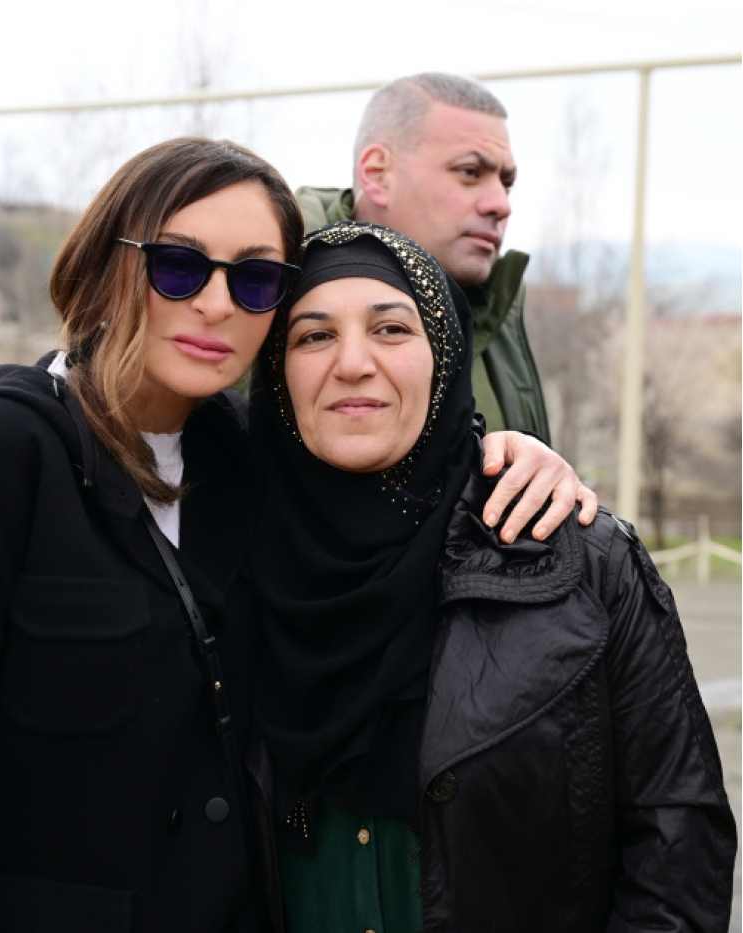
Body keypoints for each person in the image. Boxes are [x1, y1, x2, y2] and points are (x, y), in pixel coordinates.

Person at [0, 137, 592, 933]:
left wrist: (506, 457)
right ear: (106, 266)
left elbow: (397, 484)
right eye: (179, 267)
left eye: (255, 280)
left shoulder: (251, 462)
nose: (217, 305)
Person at [247, 222, 736, 932]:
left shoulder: (581, 557)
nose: (352, 363)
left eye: (391, 329)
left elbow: (677, 847)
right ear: (276, 371)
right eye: (313, 336)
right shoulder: (217, 551)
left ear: (445, 355)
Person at [296, 73, 551, 442]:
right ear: (377, 175)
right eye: (470, 172)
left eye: (506, 183)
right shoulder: (265, 291)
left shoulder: (497, 300)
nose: (501, 204)